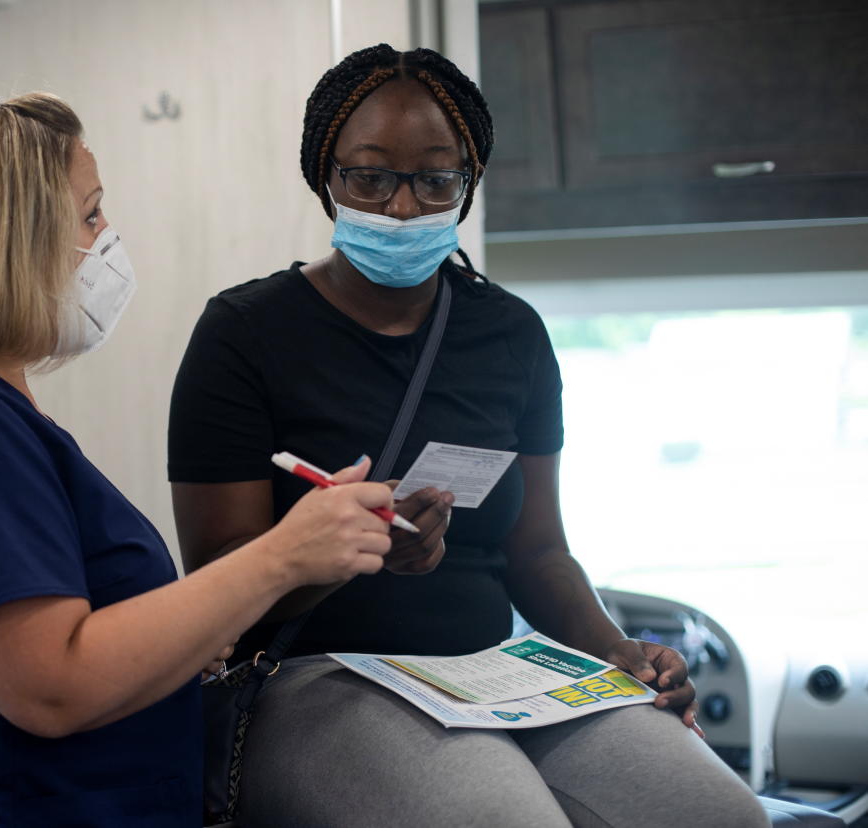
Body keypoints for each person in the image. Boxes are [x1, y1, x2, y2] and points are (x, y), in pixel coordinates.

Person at [168, 45, 770, 827]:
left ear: (468, 183)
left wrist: (618, 655)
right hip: (319, 675)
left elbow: (539, 551)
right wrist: (352, 551)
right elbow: (220, 589)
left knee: (720, 815)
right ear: (327, 177)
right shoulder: (244, 334)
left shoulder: (510, 334)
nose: (403, 208)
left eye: (434, 179)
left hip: (501, 675)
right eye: (371, 177)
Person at [0, 92, 398, 826]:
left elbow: (76, 632)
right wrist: (283, 557)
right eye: (91, 215)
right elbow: (51, 684)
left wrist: (190, 632)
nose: (108, 240)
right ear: (13, 238)